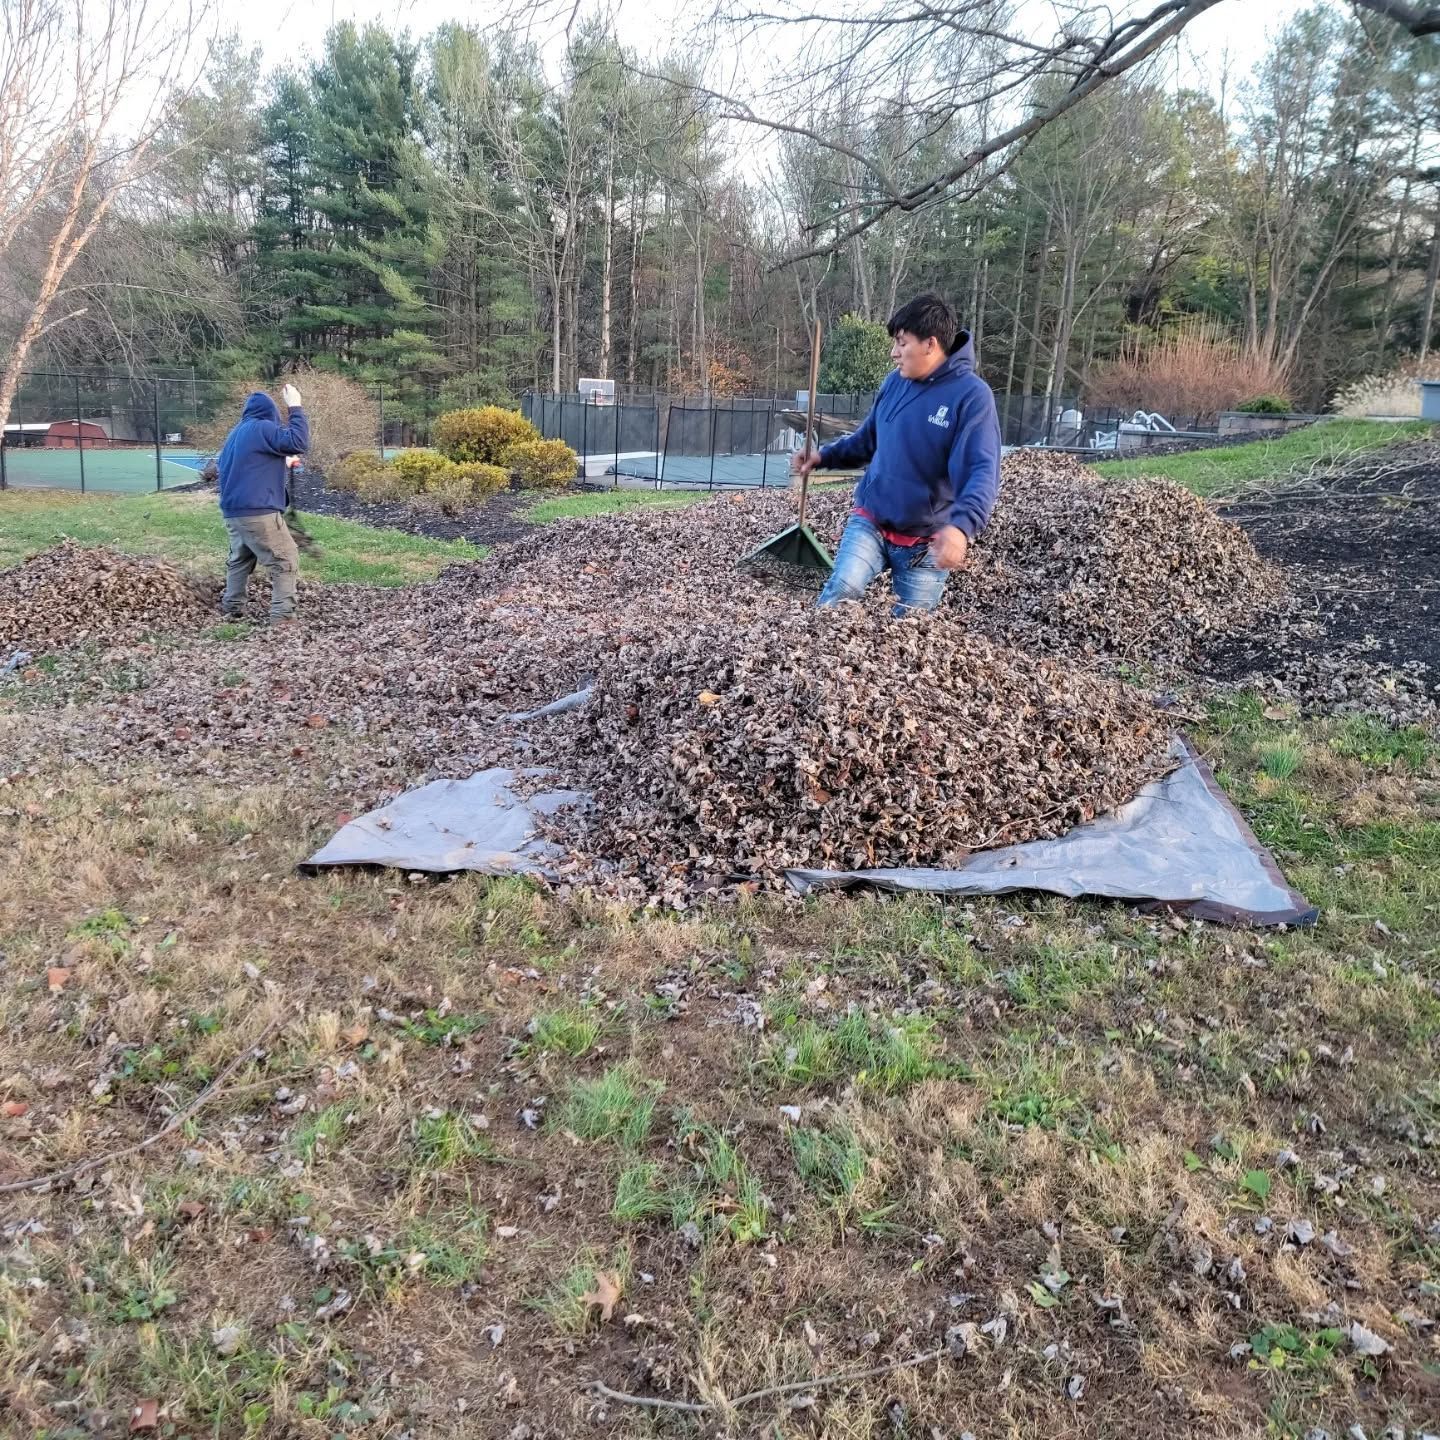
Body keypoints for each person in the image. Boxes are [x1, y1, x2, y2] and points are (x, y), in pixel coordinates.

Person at [792, 293, 1001, 614]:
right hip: (872, 521)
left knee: (910, 630)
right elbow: (868, 440)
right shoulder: (894, 384)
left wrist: (961, 527)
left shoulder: (971, 397)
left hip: (925, 541)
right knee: (841, 591)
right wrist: (824, 457)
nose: (894, 353)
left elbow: (981, 471)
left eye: (902, 343)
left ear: (930, 344)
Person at [217, 383, 310, 621]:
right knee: (285, 559)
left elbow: (250, 464)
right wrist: (295, 407)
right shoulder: (263, 427)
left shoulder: (237, 433)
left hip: (233, 511)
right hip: (258, 511)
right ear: (271, 413)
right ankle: (283, 619)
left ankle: (232, 607)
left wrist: (282, 462)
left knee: (240, 559)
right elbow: (298, 442)